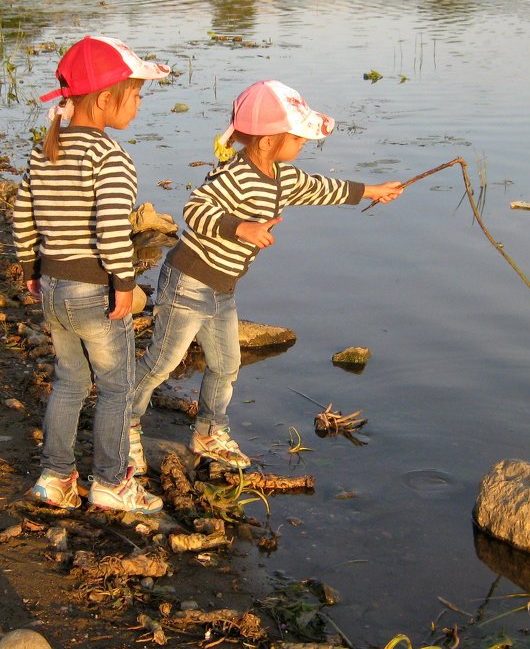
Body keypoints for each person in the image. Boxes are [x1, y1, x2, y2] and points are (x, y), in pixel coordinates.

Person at [128, 80, 403, 469]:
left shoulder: (280, 175)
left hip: (222, 287)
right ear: (269, 140)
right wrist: (240, 227)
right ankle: (124, 426)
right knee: (163, 361)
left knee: (226, 363)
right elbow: (196, 208)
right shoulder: (235, 175)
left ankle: (209, 432)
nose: (304, 143)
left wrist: (371, 191)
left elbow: (319, 187)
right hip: (190, 280)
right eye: (298, 137)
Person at [13, 36, 170, 513]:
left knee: (69, 382)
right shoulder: (111, 158)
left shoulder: (46, 151)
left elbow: (23, 212)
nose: (139, 105)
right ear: (105, 99)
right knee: (118, 387)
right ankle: (111, 482)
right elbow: (110, 231)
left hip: (54, 285)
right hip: (94, 288)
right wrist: (124, 285)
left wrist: (30, 267)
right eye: (136, 95)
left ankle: (55, 478)